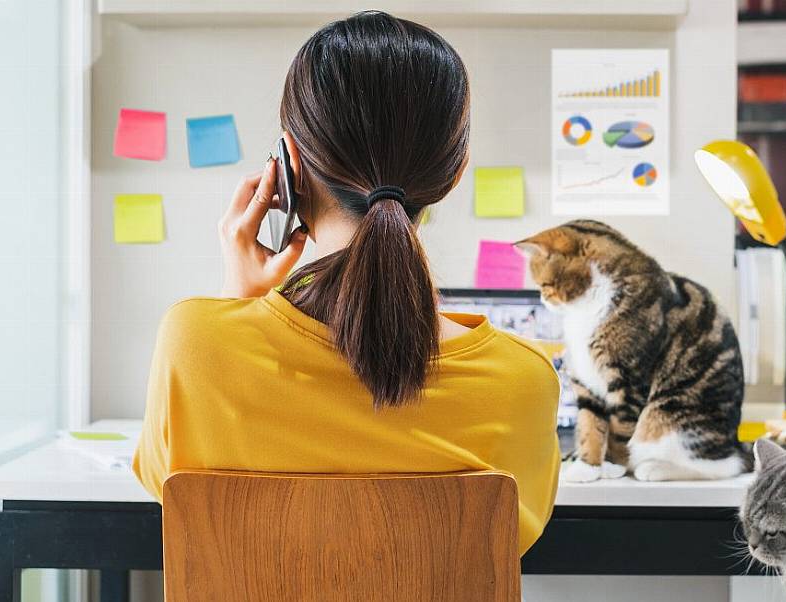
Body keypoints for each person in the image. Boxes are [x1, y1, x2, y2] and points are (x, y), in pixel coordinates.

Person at [133, 11, 560, 555]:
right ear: (454, 172)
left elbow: (168, 486)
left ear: (288, 168)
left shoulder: (194, 340)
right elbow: (514, 541)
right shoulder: (523, 380)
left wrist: (238, 303)